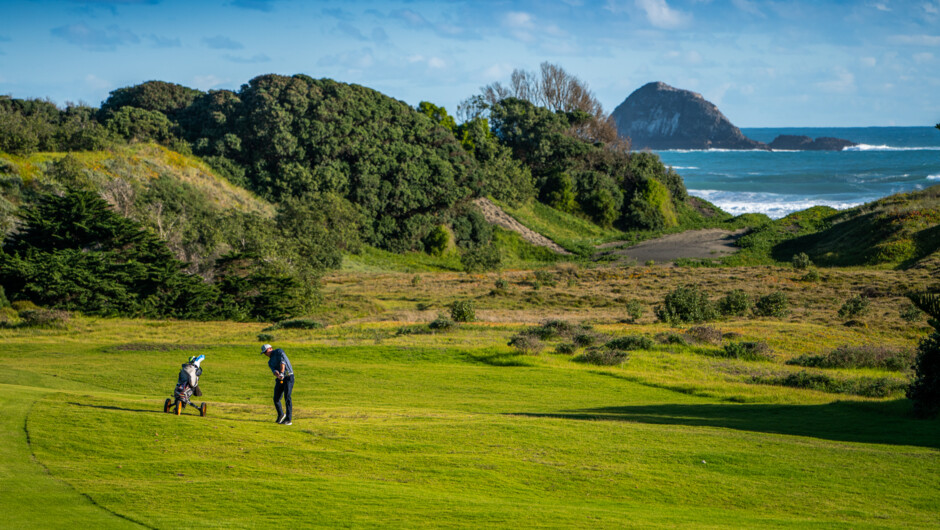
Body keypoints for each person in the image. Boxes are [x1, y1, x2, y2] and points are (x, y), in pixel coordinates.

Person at [260, 344, 294, 425]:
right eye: (264, 353)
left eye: (266, 351)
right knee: (276, 398)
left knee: (287, 397)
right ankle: (281, 414)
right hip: (280, 379)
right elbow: (274, 370)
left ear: (271, 348)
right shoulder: (270, 361)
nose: (265, 354)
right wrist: (278, 375)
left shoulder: (279, 351)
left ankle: (288, 420)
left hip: (288, 376)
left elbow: (283, 362)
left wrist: (282, 373)